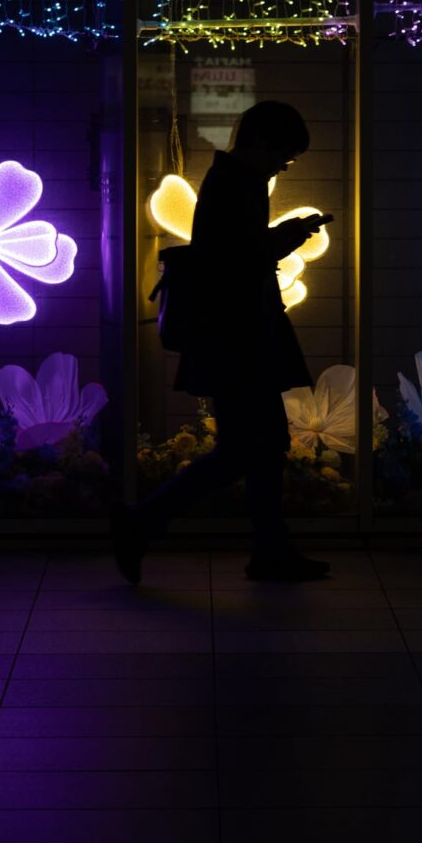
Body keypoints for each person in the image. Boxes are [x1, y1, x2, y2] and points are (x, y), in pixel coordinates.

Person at [112, 100, 331, 584]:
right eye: (284, 155)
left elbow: (232, 256)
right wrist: (291, 236)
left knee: (253, 445)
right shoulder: (235, 184)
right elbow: (239, 260)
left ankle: (263, 548)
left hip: (233, 339)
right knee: (253, 446)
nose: (283, 165)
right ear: (261, 143)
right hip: (239, 340)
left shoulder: (232, 180)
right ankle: (146, 523)